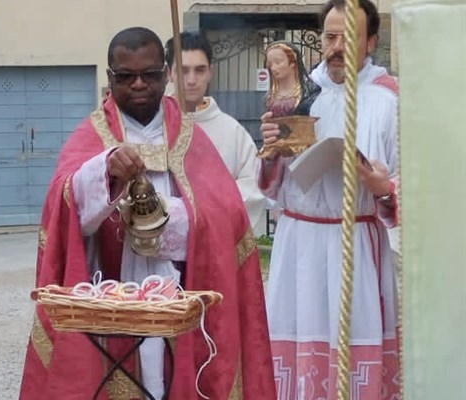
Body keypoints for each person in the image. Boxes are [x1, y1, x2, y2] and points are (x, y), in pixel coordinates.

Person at [20, 27, 274, 399]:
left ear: (165, 74)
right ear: (110, 78)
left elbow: (226, 215)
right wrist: (104, 173)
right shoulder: (92, 135)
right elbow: (63, 203)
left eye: (149, 74)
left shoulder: (189, 136)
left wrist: (168, 220)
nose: (138, 84)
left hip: (179, 286)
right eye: (126, 76)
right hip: (112, 291)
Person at [258, 0, 400, 398]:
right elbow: (269, 188)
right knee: (300, 359)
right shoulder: (299, 92)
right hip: (299, 245)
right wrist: (272, 151)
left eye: (348, 37)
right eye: (330, 36)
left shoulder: (389, 100)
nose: (336, 47)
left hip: (356, 246)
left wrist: (382, 188)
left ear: (371, 41)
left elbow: (409, 183)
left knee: (353, 361)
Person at [165, 30, 267, 233]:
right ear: (169, 74)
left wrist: (207, 209)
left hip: (214, 244)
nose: (191, 80)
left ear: (210, 72)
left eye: (200, 70)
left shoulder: (232, 132)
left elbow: (252, 188)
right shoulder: (154, 126)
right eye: (183, 70)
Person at [263, 41, 320, 118]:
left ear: (293, 62)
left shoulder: (310, 90)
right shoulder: (270, 95)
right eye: (270, 64)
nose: (273, 68)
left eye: (278, 62)